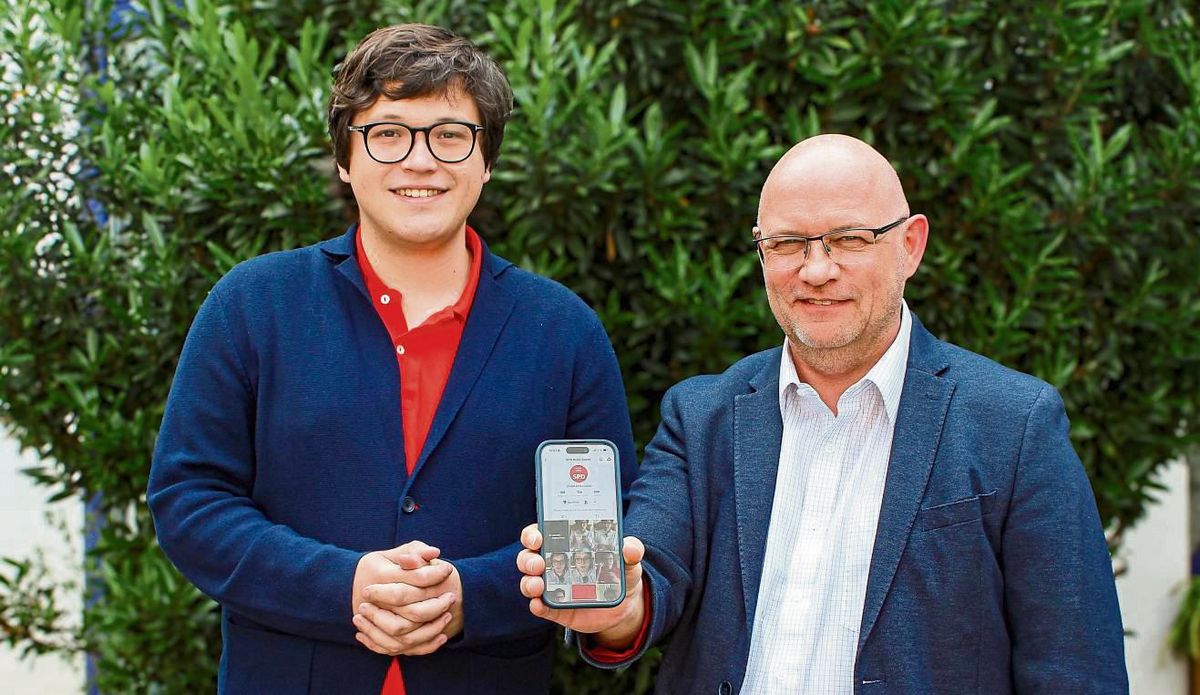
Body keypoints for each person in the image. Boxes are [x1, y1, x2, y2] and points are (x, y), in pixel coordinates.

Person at [517, 134, 1128, 693]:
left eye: (848, 239)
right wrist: (618, 610)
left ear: (910, 245)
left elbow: (1074, 668)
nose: (815, 269)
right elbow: (652, 576)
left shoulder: (1013, 424)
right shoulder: (702, 414)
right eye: (787, 243)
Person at [147, 23, 635, 695]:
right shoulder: (251, 306)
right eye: (388, 133)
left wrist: (471, 595)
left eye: (450, 135)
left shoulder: (565, 331)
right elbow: (189, 498)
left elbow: (599, 532)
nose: (420, 160)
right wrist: (341, 583)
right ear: (345, 159)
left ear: (485, 160)